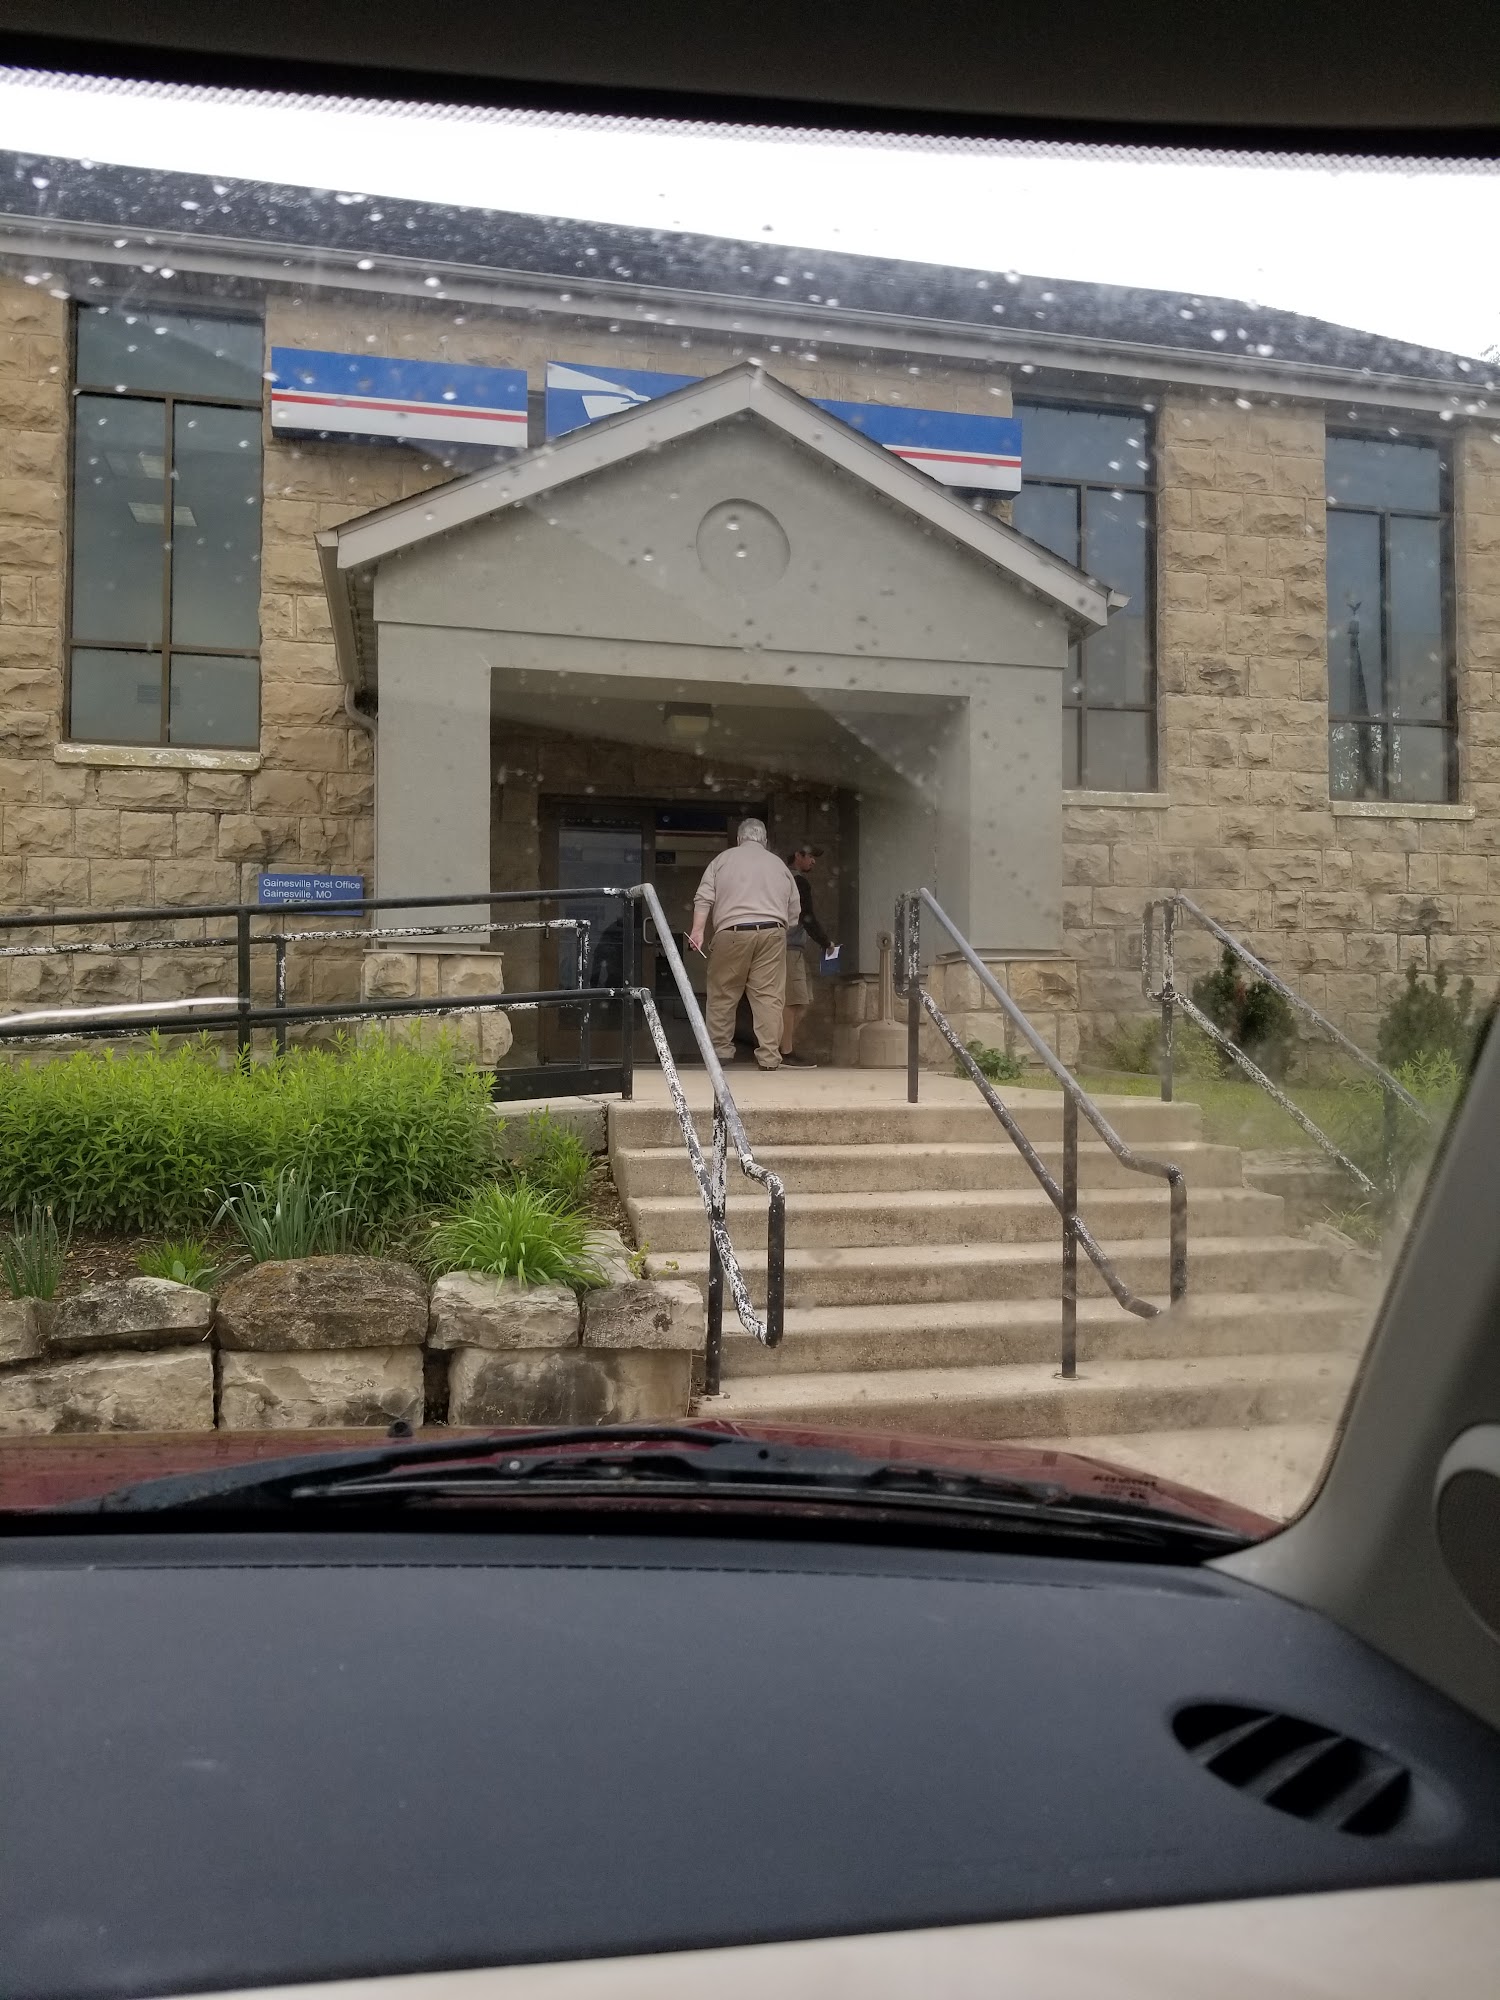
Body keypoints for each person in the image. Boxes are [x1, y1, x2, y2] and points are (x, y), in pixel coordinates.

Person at [688, 819, 800, 1070]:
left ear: (739, 839)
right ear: (764, 840)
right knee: (769, 997)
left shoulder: (722, 860)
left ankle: (721, 1052)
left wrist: (698, 931)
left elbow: (703, 898)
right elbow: (794, 908)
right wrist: (781, 928)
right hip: (772, 931)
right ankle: (769, 1058)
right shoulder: (778, 864)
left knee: (723, 992)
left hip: (732, 931)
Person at [780, 844, 836, 1067]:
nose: (813, 861)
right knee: (793, 1002)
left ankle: (780, 1046)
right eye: (810, 856)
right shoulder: (797, 881)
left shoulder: (781, 878)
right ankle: (784, 1051)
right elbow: (807, 916)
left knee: (802, 1001)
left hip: (792, 948)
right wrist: (825, 942)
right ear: (798, 855)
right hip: (788, 947)